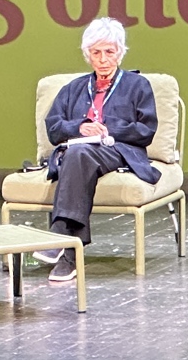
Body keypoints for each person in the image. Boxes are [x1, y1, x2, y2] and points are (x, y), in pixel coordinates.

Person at [31, 17, 164, 284]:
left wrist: (107, 128)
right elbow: (54, 128)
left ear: (120, 52)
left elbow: (146, 130)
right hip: (78, 151)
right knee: (77, 155)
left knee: (78, 155)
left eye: (109, 52)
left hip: (118, 150)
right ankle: (69, 255)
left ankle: (59, 235)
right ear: (87, 54)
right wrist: (80, 127)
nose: (103, 59)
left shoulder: (138, 86)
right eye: (96, 52)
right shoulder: (73, 89)